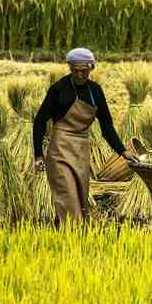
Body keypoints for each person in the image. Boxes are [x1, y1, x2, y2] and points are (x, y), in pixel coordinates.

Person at [33, 48, 134, 226]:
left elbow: (106, 126)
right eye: (75, 70)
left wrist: (122, 151)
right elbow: (40, 121)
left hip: (81, 150)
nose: (79, 74)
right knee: (67, 194)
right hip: (60, 149)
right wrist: (38, 154)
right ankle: (74, 237)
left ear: (91, 68)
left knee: (79, 199)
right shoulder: (58, 89)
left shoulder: (95, 91)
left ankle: (63, 236)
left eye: (84, 70)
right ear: (70, 68)